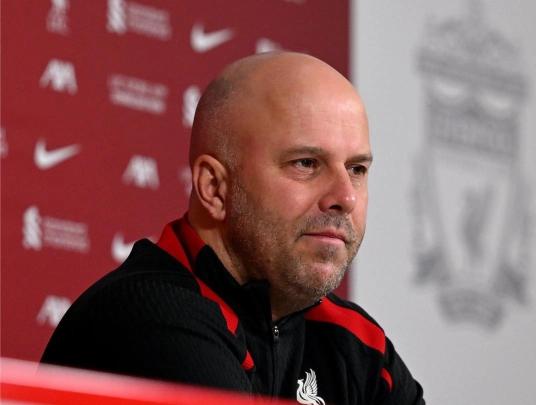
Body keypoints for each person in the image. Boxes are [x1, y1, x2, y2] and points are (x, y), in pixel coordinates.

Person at [41, 52, 425, 404]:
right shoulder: (148, 315)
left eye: (356, 169)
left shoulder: (358, 345)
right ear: (214, 187)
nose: (346, 197)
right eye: (306, 163)